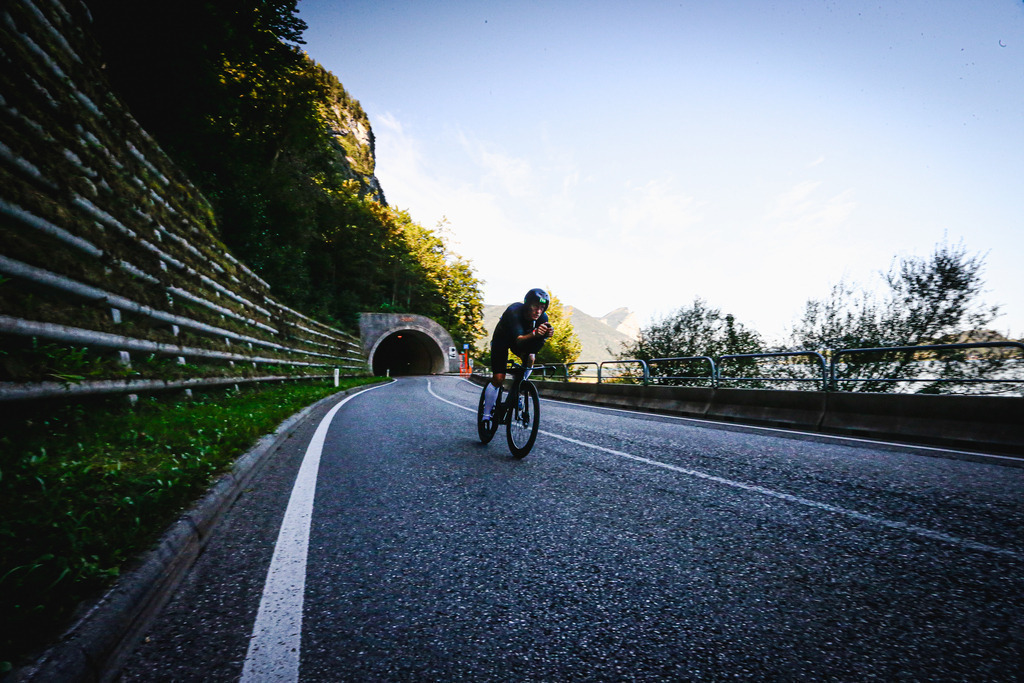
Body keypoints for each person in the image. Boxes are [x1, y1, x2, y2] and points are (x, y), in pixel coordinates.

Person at [481, 288, 554, 423]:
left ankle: (520, 386)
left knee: (531, 358)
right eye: (535, 306)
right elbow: (519, 338)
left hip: (521, 342)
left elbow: (534, 347)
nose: (539, 311)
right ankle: (486, 415)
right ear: (527, 304)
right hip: (502, 340)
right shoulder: (514, 311)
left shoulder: (543, 318)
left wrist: (544, 337)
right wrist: (535, 334)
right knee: (498, 378)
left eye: (542, 307)